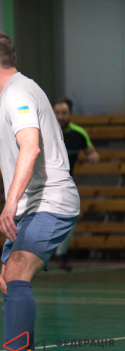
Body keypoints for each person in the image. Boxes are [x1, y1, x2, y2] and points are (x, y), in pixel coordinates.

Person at [0, 31, 80, 351]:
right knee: (8, 280)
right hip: (36, 204)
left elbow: (30, 148)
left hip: (50, 200)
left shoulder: (16, 94)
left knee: (16, 271)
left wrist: (10, 202)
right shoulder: (19, 91)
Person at [53, 97, 100, 271]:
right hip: (45, 183)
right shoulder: (47, 132)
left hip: (66, 183)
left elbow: (92, 152)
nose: (60, 116)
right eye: (57, 113)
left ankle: (61, 254)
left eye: (64, 113)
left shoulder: (79, 133)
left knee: (73, 216)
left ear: (70, 114)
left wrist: (94, 157)